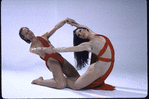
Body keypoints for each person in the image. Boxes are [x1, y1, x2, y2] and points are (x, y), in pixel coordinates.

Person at [41, 18, 115, 90]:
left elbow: (82, 26)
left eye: (80, 31)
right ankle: (55, 80)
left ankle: (62, 79)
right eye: (79, 35)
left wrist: (69, 21)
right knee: (75, 86)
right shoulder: (88, 45)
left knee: (79, 82)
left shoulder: (95, 35)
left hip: (106, 65)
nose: (80, 34)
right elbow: (66, 49)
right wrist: (52, 50)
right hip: (97, 69)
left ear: (85, 29)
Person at [19, 18, 80, 89]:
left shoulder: (44, 37)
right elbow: (37, 50)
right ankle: (39, 81)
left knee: (77, 78)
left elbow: (55, 27)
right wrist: (45, 49)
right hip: (51, 61)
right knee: (61, 84)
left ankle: (56, 79)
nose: (29, 33)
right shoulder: (32, 48)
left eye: (28, 30)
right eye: (26, 33)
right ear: (25, 38)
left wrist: (65, 20)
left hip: (59, 57)